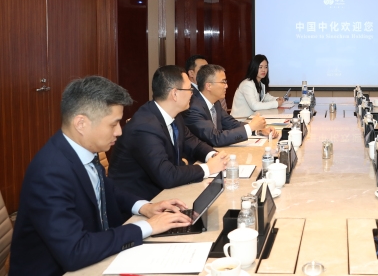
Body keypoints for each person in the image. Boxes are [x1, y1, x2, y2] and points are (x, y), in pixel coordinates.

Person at [9, 76, 192, 276]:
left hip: (97, 256)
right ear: (81, 123)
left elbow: (107, 189)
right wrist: (146, 227)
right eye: (113, 124)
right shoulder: (49, 173)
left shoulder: (83, 150)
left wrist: (145, 207)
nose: (119, 132)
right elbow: (75, 251)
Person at [109, 65, 229, 200]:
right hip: (140, 201)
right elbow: (167, 176)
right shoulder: (145, 127)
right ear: (175, 94)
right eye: (190, 89)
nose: (192, 93)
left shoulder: (175, 115)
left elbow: (193, 143)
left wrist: (213, 156)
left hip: (166, 193)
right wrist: (208, 168)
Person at [183, 64, 279, 147]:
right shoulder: (193, 108)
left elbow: (232, 124)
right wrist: (250, 127)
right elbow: (215, 138)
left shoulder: (216, 103)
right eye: (223, 82)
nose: (226, 86)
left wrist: (258, 130)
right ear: (209, 86)